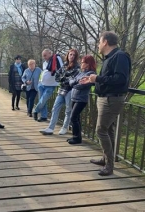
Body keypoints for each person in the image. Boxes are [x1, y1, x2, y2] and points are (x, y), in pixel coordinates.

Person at [80, 31, 131, 176]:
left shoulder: (120, 56)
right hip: (106, 97)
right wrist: (92, 80)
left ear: (105, 42)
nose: (98, 45)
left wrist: (98, 79)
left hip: (111, 99)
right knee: (108, 130)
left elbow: (120, 79)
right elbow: (107, 79)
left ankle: (109, 165)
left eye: (99, 41)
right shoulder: (111, 57)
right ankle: (106, 159)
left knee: (101, 130)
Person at [40, 49, 80, 135]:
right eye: (70, 54)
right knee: (55, 108)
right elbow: (57, 76)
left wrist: (64, 78)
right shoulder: (64, 65)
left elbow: (73, 80)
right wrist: (65, 78)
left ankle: (65, 127)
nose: (71, 56)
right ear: (68, 55)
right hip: (61, 90)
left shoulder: (77, 67)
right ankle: (51, 128)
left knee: (68, 110)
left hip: (70, 90)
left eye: (73, 55)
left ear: (76, 56)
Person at [67, 55, 96, 144]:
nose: (81, 63)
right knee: (76, 118)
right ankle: (76, 137)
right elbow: (71, 81)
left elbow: (82, 85)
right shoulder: (80, 72)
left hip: (81, 99)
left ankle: (76, 138)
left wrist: (74, 83)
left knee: (73, 117)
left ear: (88, 64)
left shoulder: (90, 74)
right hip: (74, 97)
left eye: (83, 62)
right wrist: (75, 82)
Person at [33, 49, 63, 122]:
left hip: (50, 85)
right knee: (43, 101)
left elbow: (61, 68)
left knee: (43, 100)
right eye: (43, 56)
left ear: (50, 53)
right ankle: (44, 116)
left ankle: (35, 110)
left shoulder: (56, 58)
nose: (44, 57)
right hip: (41, 84)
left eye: (45, 55)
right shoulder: (44, 63)